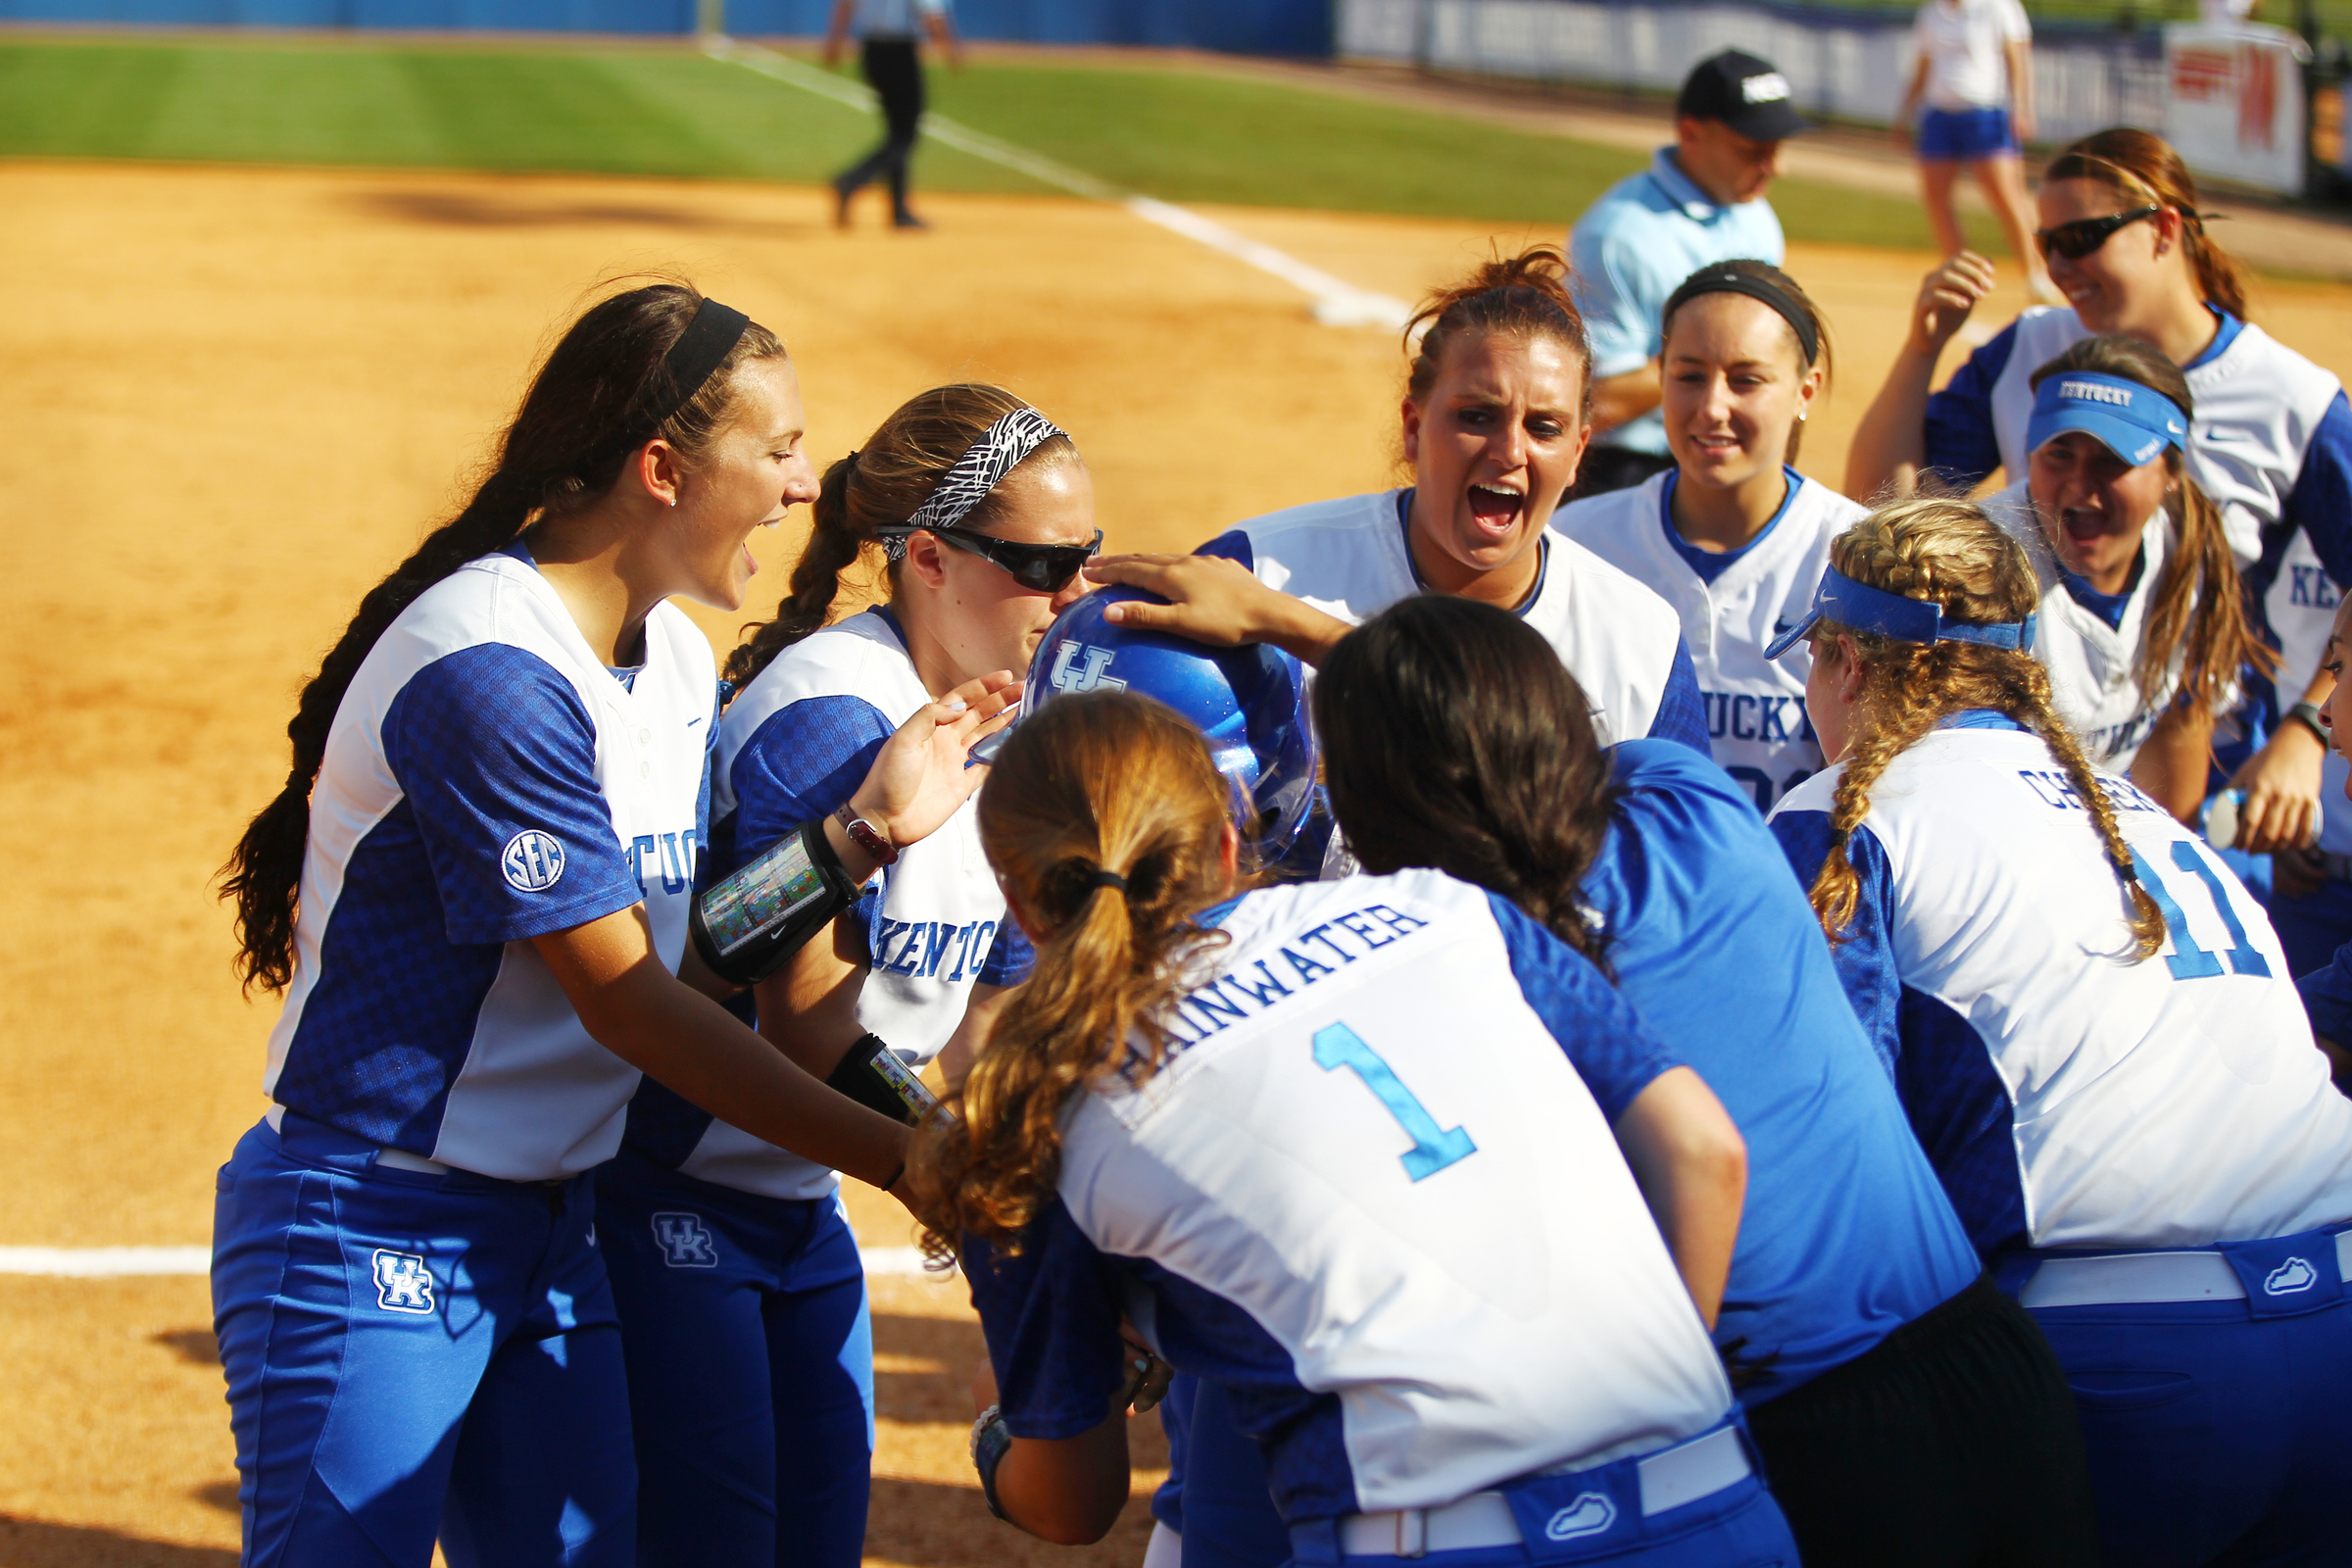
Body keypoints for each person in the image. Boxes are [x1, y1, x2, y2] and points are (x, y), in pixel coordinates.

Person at [209, 284, 1012, 1566]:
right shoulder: (495, 673)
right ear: (663, 470)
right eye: (780, 448)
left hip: (553, 1222)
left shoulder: (677, 661)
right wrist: (909, 1161)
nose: (811, 482)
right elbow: (633, 1005)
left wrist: (855, 836)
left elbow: (696, 957)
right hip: (378, 1220)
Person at [919, 689, 1798, 1567]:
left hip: (1432, 1541)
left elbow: (1073, 1503)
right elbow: (1702, 1151)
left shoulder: (1034, 1108)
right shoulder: (1449, 909)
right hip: (1716, 1502)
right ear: (1229, 842)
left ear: (1021, 903)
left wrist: (1002, 1438)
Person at [1308, 593, 2097, 1568]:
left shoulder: (1473, 967)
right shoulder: (1682, 791)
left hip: (1808, 1441)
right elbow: (1485, 723)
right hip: (1992, 1369)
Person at [1767, 496, 2352, 1568]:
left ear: (1848, 662)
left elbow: (1822, 1146)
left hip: (2134, 1368)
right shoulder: (2145, 820)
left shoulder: (1854, 811)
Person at [595, 385, 1095, 1566]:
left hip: (801, 1204)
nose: (1072, 593)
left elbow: (990, 1020)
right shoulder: (833, 718)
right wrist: (977, 1191)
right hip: (677, 1193)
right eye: (1040, 562)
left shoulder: (1008, 727)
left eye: (1087, 558)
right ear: (929, 557)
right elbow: (798, 1023)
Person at [1844, 128, 2352, 923]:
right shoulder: (2030, 347)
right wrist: (1923, 348)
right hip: (2038, 750)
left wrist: (2306, 729)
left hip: (2203, 757)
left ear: (2166, 229)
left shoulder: (2291, 397)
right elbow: (1883, 505)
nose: (2060, 264)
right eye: (2047, 243)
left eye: (2083, 238)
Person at [1090, 247, 1708, 758]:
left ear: (1578, 453)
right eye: (1476, 415)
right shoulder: (1259, 569)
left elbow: (1683, 877)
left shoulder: (1640, 642)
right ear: (1413, 428)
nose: (1509, 450)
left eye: (1544, 427)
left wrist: (1288, 624)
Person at [1558, 260, 1859, 811]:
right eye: (1689, 375)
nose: (1712, 407)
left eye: (1746, 380)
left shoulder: (1859, 556)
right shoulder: (1572, 542)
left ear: (1805, 390)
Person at [1982, 335, 2268, 822]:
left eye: (2112, 460)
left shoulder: (2189, 552)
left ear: (2171, 470)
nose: (2079, 482)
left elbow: (2179, 736)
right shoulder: (1980, 570)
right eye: (2058, 454)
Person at [1567, 50, 1808, 496]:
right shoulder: (1619, 237)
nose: (1776, 167)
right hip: (1628, 472)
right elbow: (1600, 402)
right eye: (1753, 150)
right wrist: (1712, 360)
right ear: (1691, 133)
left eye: (1777, 149)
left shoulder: (1755, 216)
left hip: (1724, 452)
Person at [1893, 0, 2054, 301]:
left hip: (1986, 112)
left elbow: (2017, 59)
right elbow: (1923, 66)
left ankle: (2037, 274)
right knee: (1936, 198)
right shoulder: (1932, 12)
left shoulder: (1998, 7)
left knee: (2006, 197)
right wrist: (1905, 112)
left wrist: (2023, 108)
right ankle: (1958, 275)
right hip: (1940, 114)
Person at [824, 0, 958, 230]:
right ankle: (852, 180)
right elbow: (932, 14)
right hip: (900, 52)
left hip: (872, 51)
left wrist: (835, 39)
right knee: (905, 136)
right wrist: (950, 49)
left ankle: (899, 210)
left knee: (896, 131)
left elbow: (846, 4)